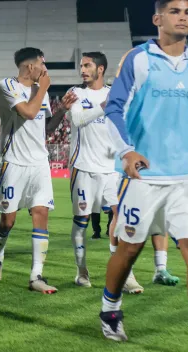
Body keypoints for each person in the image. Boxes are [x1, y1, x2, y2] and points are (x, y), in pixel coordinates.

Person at [99, 2, 188, 350]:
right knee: (129, 249)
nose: (184, 16)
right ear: (157, 19)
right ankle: (110, 307)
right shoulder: (138, 59)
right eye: (176, 10)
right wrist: (127, 151)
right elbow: (114, 108)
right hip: (145, 176)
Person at [0, 47, 76, 293]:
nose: (44, 69)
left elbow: (44, 127)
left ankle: (36, 275)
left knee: (41, 213)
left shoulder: (40, 91)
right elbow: (28, 112)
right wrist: (43, 88)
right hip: (13, 162)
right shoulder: (6, 85)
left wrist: (62, 111)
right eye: (42, 64)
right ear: (30, 67)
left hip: (39, 163)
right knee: (8, 221)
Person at [68, 52, 118, 288]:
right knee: (82, 220)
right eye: (81, 66)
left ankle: (123, 273)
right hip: (83, 167)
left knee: (120, 216)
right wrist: (104, 106)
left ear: (100, 69)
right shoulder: (76, 93)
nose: (82, 70)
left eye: (87, 65)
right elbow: (78, 120)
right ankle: (81, 271)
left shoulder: (113, 94)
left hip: (111, 169)